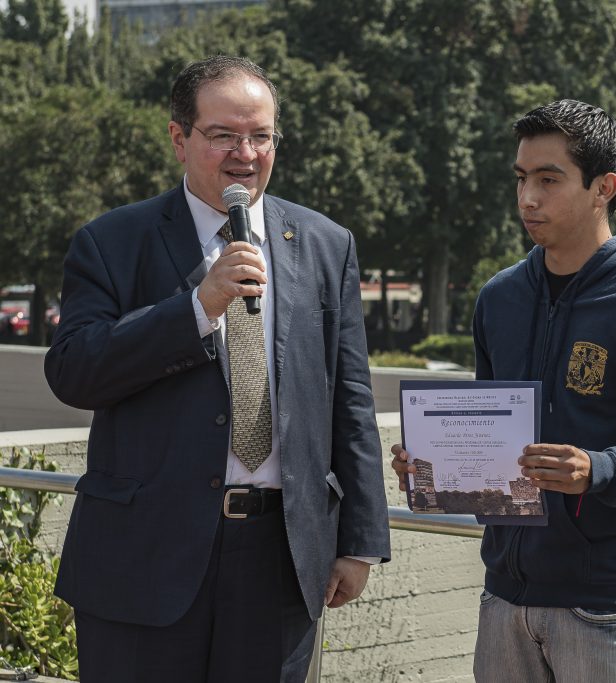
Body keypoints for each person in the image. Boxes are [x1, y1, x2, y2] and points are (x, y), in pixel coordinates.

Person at [44, 56, 390, 682]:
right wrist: (198, 307)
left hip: (280, 557)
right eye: (224, 135)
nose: (246, 153)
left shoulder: (323, 243)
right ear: (179, 137)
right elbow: (74, 371)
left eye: (261, 136)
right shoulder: (113, 241)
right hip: (144, 559)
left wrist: (360, 540)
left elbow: (351, 398)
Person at [392, 100, 616, 681]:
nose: (528, 197)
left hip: (607, 607)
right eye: (522, 178)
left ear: (603, 187)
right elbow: (487, 444)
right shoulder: (499, 299)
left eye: (549, 180)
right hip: (503, 600)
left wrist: (599, 469)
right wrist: (434, 470)